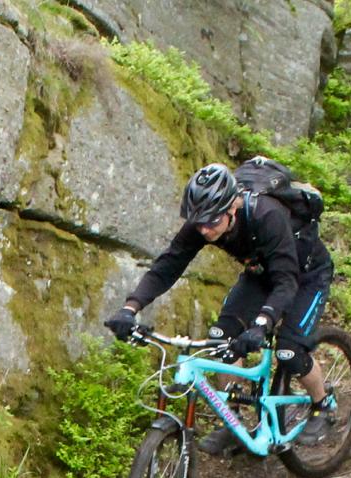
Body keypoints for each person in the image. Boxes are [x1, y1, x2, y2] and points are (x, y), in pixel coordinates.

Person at [106, 163, 335, 455]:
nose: (204, 229)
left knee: (289, 349)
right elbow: (168, 266)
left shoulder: (267, 215)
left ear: (232, 209)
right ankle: (234, 421)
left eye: (211, 222)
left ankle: (322, 404)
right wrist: (130, 308)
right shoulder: (204, 221)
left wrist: (263, 322)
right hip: (262, 274)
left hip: (305, 276)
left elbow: (286, 282)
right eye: (198, 222)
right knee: (220, 338)